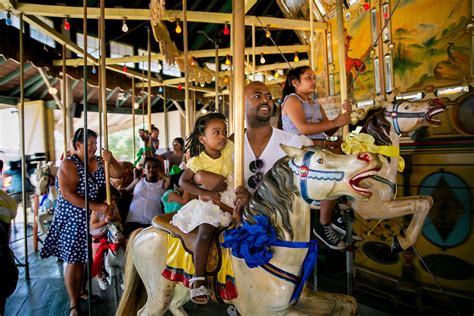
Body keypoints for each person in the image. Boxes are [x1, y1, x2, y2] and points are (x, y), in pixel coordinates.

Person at [40, 128, 123, 316]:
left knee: (87, 258)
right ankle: (73, 303)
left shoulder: (100, 161)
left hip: (92, 215)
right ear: (78, 145)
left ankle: (83, 290)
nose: (94, 147)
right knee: (74, 260)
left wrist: (112, 159)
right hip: (73, 216)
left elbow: (118, 174)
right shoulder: (69, 164)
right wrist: (98, 206)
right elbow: (69, 195)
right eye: (90, 143)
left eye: (95, 142)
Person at [280, 66, 352, 250]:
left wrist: (342, 118)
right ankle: (324, 224)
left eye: (314, 77)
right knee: (333, 172)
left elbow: (328, 129)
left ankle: (336, 208)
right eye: (308, 77)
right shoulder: (291, 101)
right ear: (295, 83)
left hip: (319, 149)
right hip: (301, 150)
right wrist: (336, 122)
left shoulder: (315, 103)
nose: (313, 80)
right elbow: (303, 128)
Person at [171, 112, 238, 305]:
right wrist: (206, 194)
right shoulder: (198, 161)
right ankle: (198, 278)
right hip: (211, 202)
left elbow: (239, 134)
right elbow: (183, 181)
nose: (222, 137)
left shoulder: (229, 149)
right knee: (206, 230)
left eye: (224, 132)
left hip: (231, 196)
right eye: (216, 132)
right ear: (202, 138)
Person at [124, 157, 169, 237]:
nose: (151, 169)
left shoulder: (162, 184)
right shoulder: (138, 181)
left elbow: (169, 180)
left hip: (152, 224)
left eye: (154, 167)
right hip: (133, 222)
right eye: (148, 167)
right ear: (144, 170)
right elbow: (124, 191)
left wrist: (161, 174)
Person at [90, 187, 122, 291]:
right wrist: (104, 221)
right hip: (98, 236)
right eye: (111, 200)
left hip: (110, 234)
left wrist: (113, 219)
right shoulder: (96, 210)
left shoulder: (114, 207)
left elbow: (119, 218)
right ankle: (99, 277)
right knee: (96, 256)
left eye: (115, 200)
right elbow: (93, 225)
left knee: (123, 245)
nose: (113, 203)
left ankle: (124, 270)